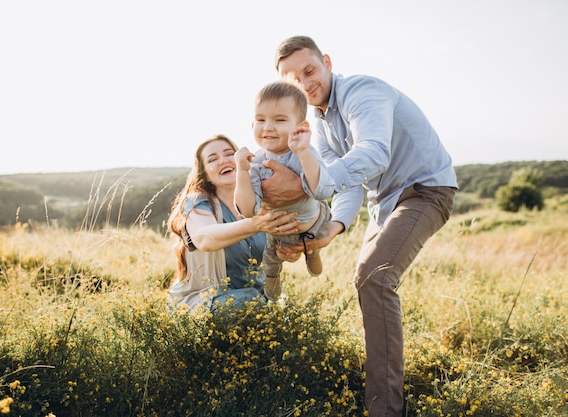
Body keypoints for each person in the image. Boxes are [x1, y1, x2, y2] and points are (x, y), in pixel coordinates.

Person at [263, 36, 458, 416]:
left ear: (327, 63)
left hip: (425, 189)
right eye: (293, 79)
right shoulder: (318, 123)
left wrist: (305, 184)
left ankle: (385, 409)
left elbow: (372, 152)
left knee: (375, 277)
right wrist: (330, 231)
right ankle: (382, 393)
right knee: (366, 280)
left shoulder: (362, 92)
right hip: (383, 203)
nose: (304, 83)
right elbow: (345, 183)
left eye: (310, 70)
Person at [167, 134, 299, 314]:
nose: (223, 161)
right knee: (251, 302)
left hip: (254, 299)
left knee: (283, 308)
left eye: (229, 154)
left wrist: (288, 252)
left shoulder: (260, 204)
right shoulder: (198, 202)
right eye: (212, 159)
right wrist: (256, 224)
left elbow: (273, 260)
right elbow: (205, 239)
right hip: (204, 301)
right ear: (204, 173)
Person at [234, 81, 335, 301]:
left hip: (315, 222)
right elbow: (248, 210)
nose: (268, 127)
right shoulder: (257, 163)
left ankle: (313, 252)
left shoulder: (305, 153)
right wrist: (242, 171)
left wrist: (303, 152)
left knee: (312, 246)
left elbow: (323, 191)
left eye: (279, 120)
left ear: (300, 127)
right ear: (252, 125)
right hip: (280, 232)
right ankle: (272, 302)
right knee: (270, 263)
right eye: (261, 120)